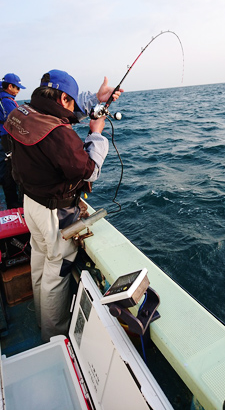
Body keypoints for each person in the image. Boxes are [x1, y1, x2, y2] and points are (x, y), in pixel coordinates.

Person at [4, 69, 123, 342]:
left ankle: (38, 318)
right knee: (57, 271)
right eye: (71, 101)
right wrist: (96, 133)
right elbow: (88, 171)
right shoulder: (59, 135)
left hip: (31, 204)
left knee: (40, 259)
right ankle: (54, 337)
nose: (73, 109)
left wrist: (98, 99)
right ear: (62, 97)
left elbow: (58, 118)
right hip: (53, 214)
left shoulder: (21, 112)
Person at [0, 73, 26, 208]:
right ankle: (13, 204)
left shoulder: (4, 98)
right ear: (10, 86)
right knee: (9, 171)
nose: (19, 90)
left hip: (4, 138)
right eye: (17, 87)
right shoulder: (6, 101)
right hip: (5, 139)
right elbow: (17, 119)